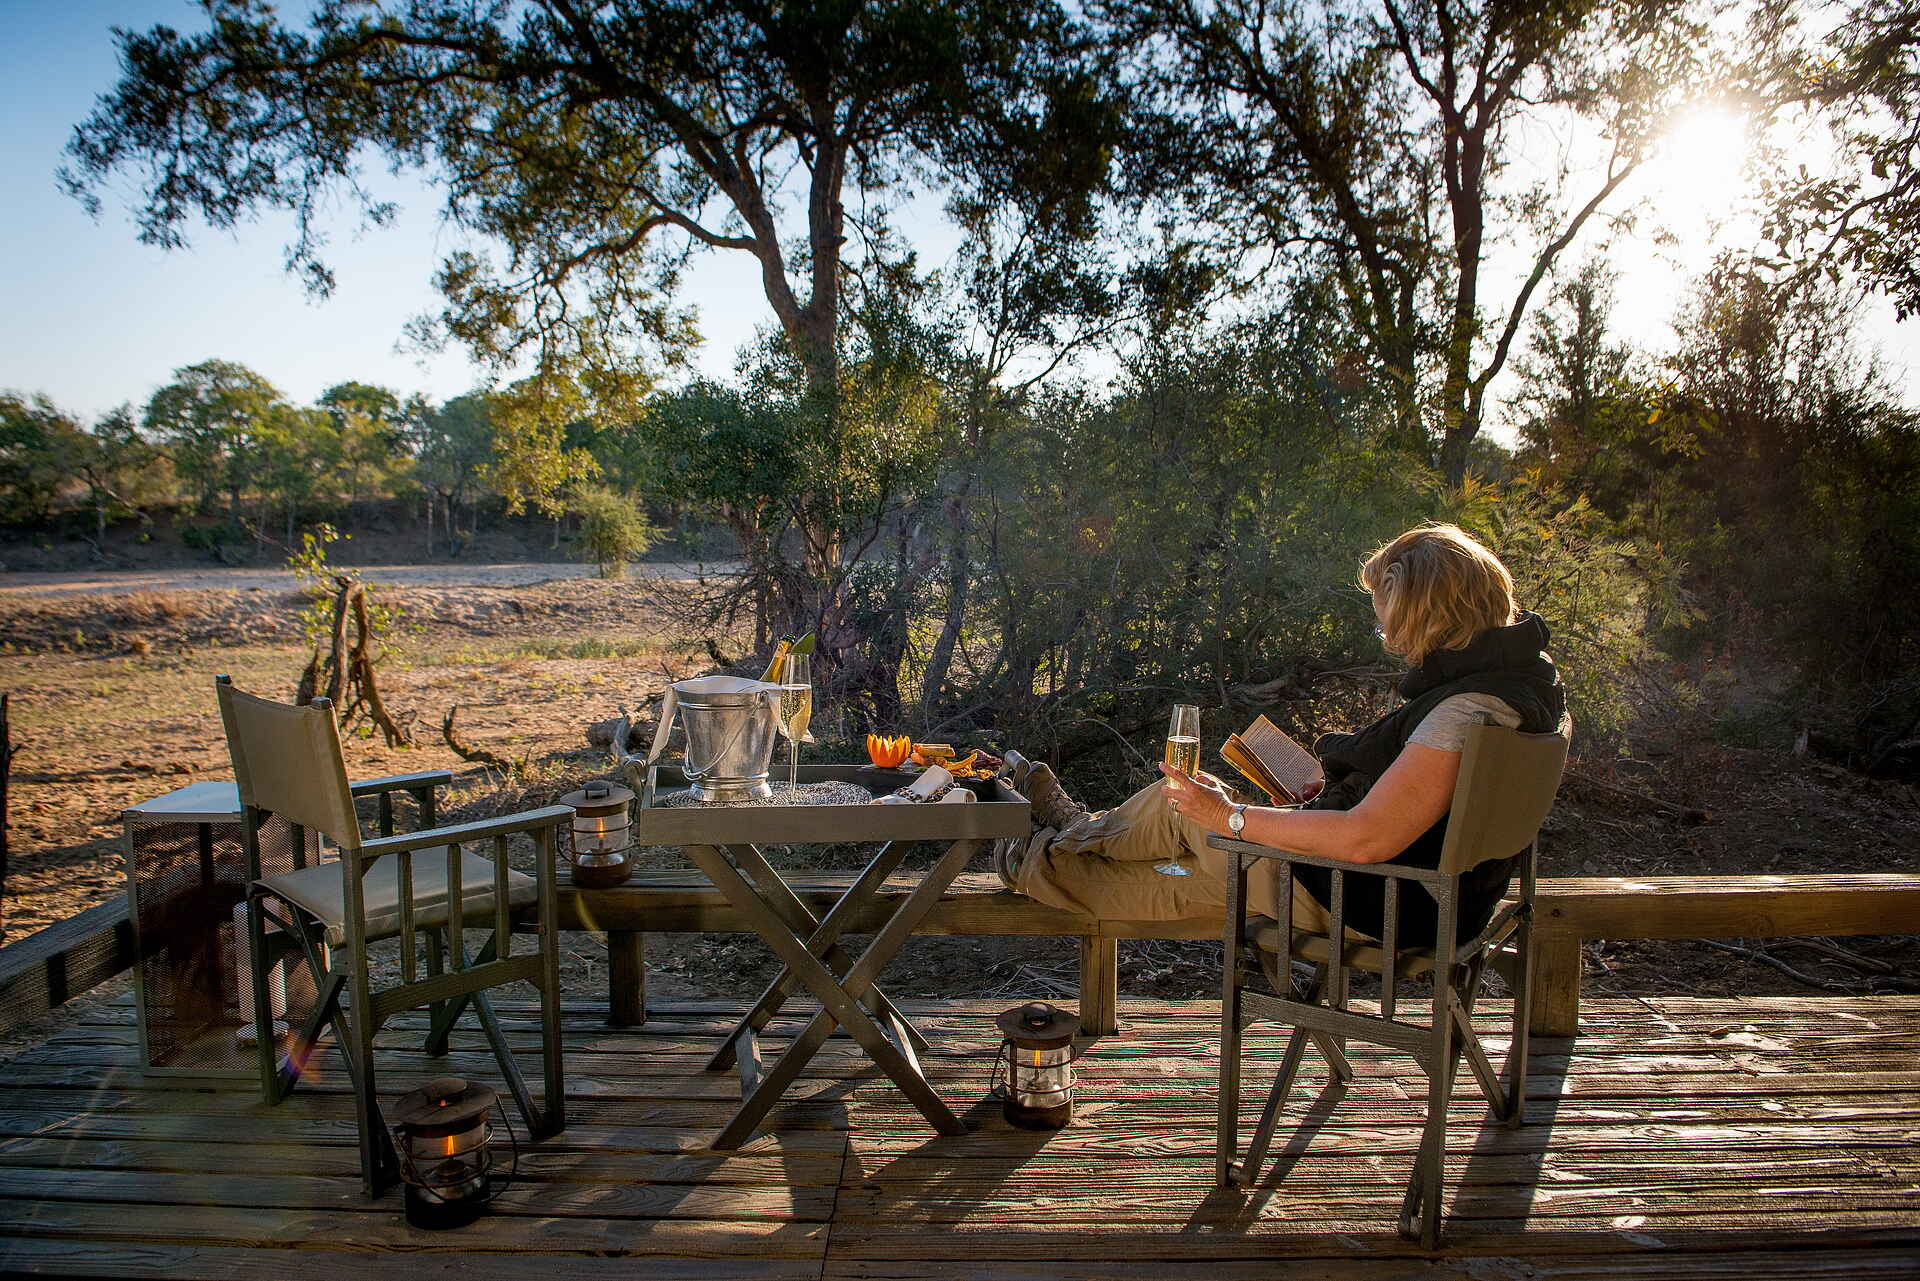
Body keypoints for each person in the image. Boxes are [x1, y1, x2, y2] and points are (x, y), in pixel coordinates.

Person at [998, 523, 1569, 947]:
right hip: (1421, 897)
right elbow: (1413, 813)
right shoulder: (1527, 686)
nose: (1391, 642)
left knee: (1182, 849)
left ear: (1426, 617)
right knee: (1187, 826)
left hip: (1373, 900)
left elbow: (1368, 840)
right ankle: (1066, 836)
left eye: (1388, 623)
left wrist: (1232, 819)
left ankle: (1037, 857)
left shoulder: (1466, 710)